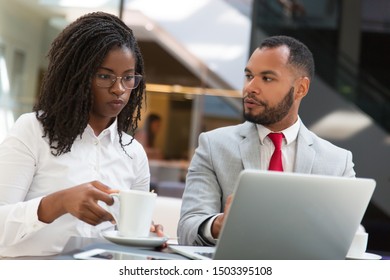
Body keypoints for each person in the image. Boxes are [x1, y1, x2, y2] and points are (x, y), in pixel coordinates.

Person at [0, 12, 163, 258]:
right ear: (75, 76)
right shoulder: (32, 131)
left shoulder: (133, 152)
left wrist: (146, 238)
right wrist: (58, 203)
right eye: (104, 76)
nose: (118, 89)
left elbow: (128, 240)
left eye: (128, 78)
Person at [178, 35, 355, 246]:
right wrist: (219, 224)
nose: (250, 87)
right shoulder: (213, 146)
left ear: (300, 89)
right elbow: (187, 229)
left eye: (267, 78)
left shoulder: (337, 163)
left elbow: (341, 241)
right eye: (249, 75)